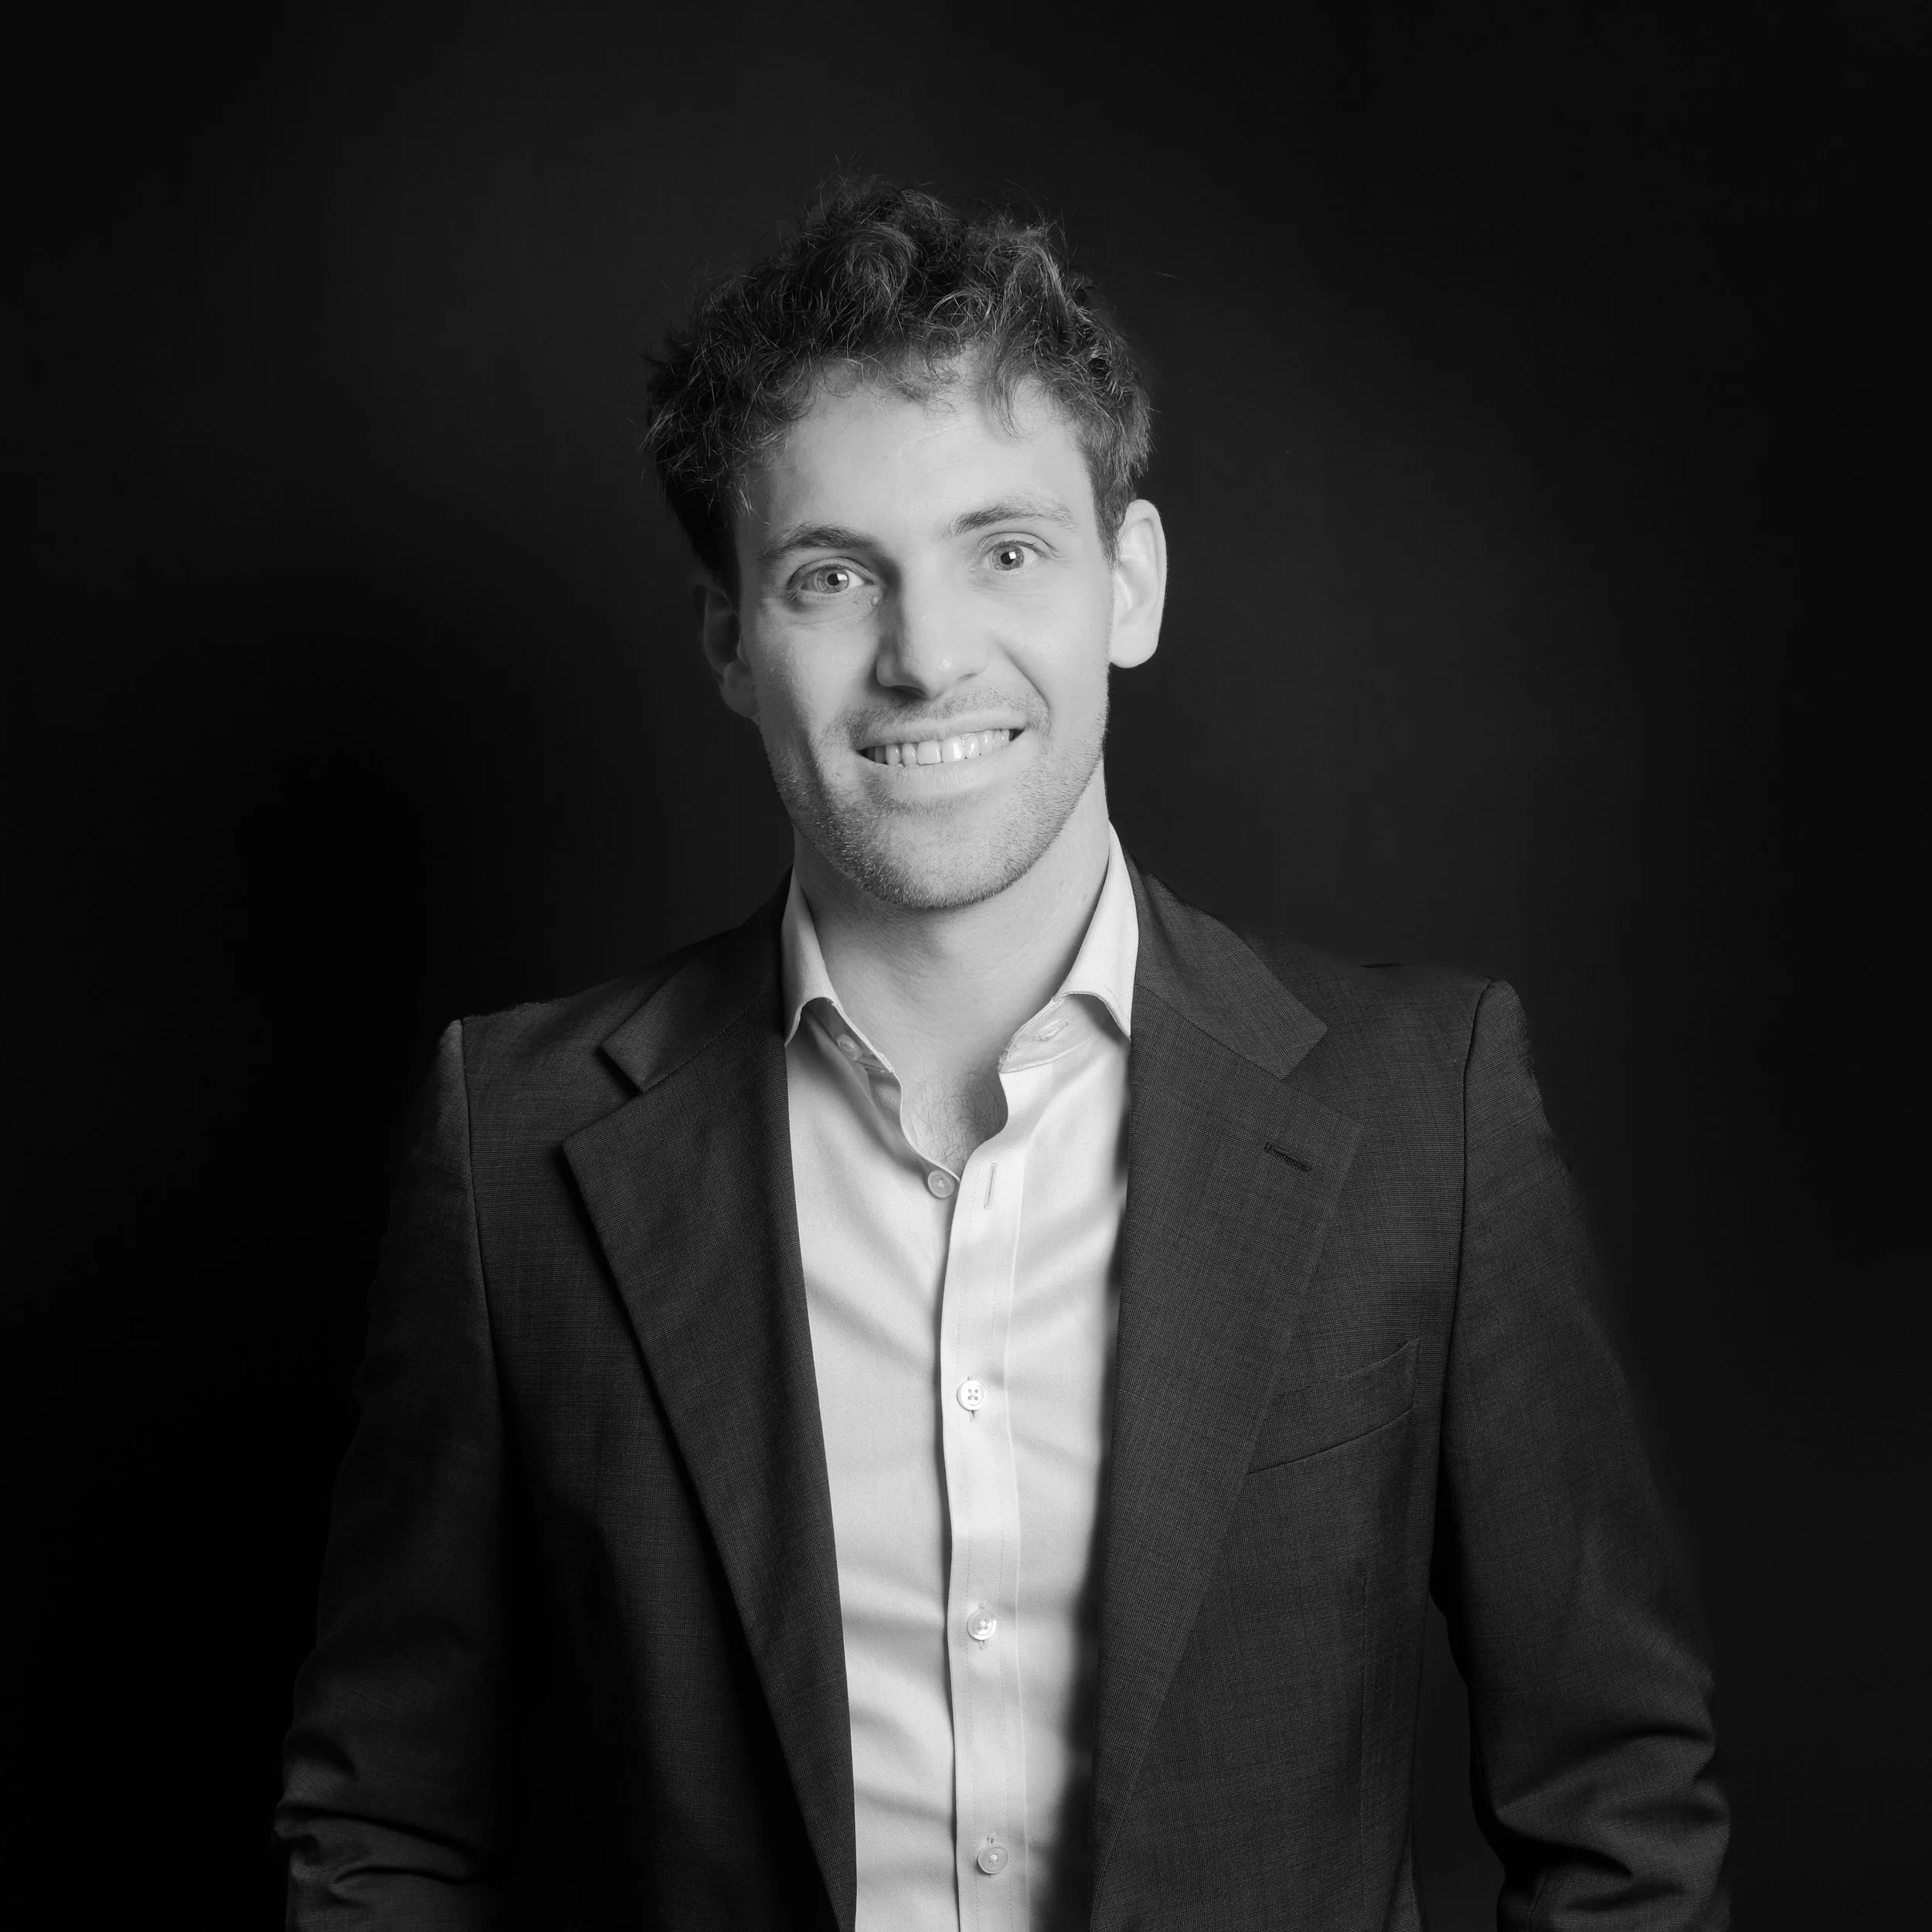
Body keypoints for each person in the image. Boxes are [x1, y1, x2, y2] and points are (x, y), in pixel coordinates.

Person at [277, 180, 1729, 1930]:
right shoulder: (509, 1143)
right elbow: (386, 1827)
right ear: (730, 640)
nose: (925, 653)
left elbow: (1616, 1806)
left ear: (1129, 583)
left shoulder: (1420, 1107)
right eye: (830, 576)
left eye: (1006, 550)